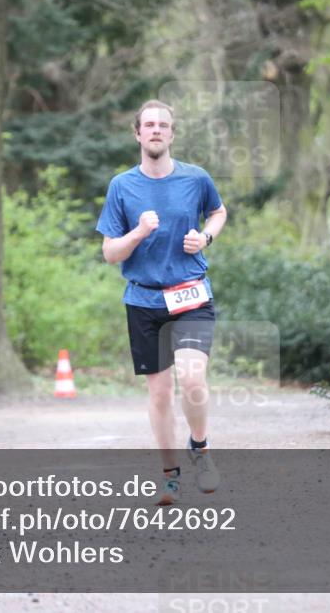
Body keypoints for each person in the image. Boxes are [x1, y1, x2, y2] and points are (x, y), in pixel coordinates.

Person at [96, 100, 228, 505]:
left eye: (163, 125)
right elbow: (110, 252)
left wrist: (205, 237)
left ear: (172, 134)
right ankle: (170, 473)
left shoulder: (196, 178)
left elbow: (219, 212)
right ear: (137, 134)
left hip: (190, 294)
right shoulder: (122, 185)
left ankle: (200, 448)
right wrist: (137, 233)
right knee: (159, 394)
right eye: (149, 125)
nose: (156, 130)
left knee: (191, 379)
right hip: (144, 300)